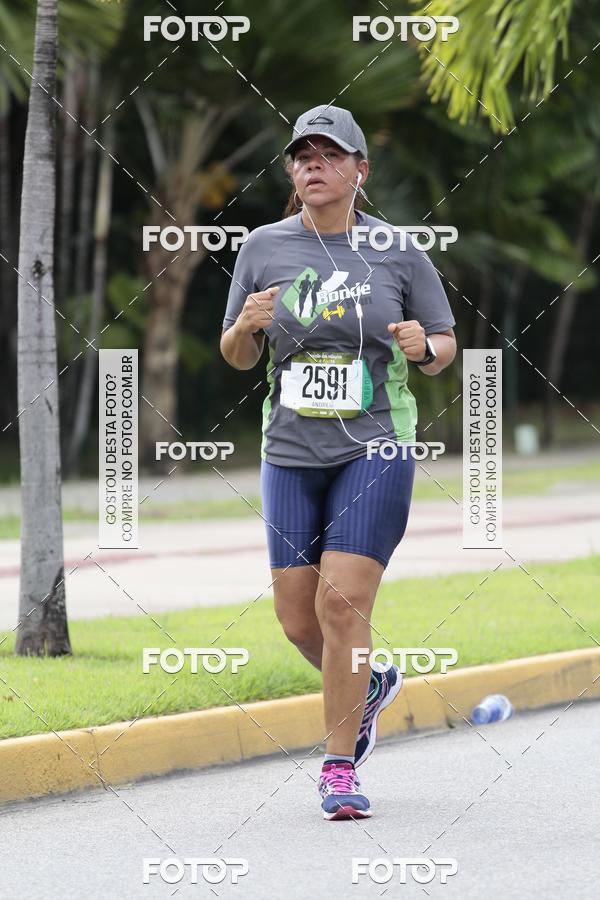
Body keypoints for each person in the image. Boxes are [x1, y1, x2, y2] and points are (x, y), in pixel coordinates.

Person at [220, 105, 457, 820]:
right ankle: (372, 685)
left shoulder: (397, 250)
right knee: (299, 622)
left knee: (340, 603)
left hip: (375, 446)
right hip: (290, 452)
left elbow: (444, 347)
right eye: (302, 156)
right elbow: (235, 357)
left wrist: (422, 348)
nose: (312, 165)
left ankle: (338, 766)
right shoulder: (263, 246)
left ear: (361, 169)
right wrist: (246, 328)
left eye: (329, 154)